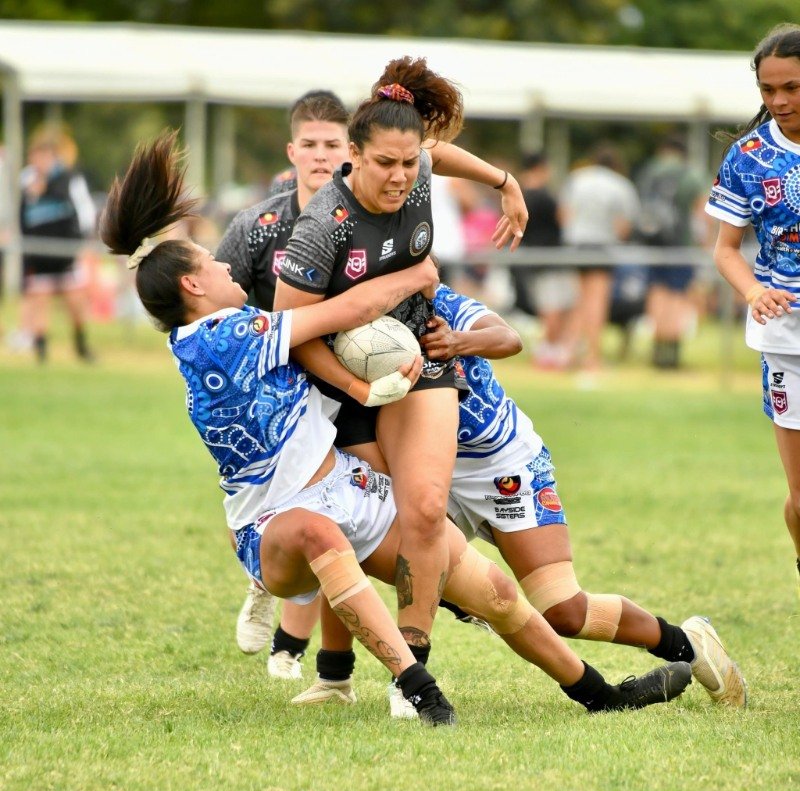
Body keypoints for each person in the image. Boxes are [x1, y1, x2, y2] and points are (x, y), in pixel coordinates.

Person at [100, 131, 692, 726]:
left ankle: (598, 694)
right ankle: (418, 687)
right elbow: (342, 312)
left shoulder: (231, 325)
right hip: (271, 522)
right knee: (318, 535)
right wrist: (416, 274)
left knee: (493, 593)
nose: (226, 265)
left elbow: (426, 154)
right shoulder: (221, 339)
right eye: (211, 264)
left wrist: (361, 385)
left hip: (349, 489)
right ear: (193, 287)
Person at [293, 284, 747, 714]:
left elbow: (508, 338)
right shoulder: (346, 327)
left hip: (503, 464)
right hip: (434, 477)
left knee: (565, 611)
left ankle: (685, 643)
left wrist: (457, 342)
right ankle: (338, 678)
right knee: (385, 546)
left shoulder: (436, 301)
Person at [273, 56, 529, 683]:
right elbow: (292, 334)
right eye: (384, 163)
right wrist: (360, 384)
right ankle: (335, 664)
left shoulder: (419, 171)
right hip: (337, 383)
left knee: (423, 508)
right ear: (353, 155)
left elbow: (445, 154)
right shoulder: (319, 229)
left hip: (417, 359)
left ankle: (414, 665)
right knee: (374, 524)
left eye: (410, 162)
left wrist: (506, 182)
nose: (400, 176)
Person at [216, 90, 351, 677]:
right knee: (264, 505)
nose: (322, 157)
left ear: (352, 151)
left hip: (348, 383)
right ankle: (261, 583)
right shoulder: (257, 225)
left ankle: (307, 654)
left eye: (334, 145)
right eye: (312, 146)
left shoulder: (369, 215)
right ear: (292, 150)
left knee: (334, 511)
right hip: (273, 395)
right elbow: (213, 301)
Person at [705, 23, 800, 592]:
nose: (781, 101)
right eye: (769, 90)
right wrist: (752, 291)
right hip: (788, 338)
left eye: (792, 87)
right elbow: (725, 250)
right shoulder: (750, 157)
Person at [560, 143, 640, 376]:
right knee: (596, 301)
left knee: (579, 299)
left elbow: (564, 214)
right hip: (602, 245)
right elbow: (623, 225)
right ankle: (593, 356)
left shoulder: (577, 178)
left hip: (576, 244)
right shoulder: (621, 184)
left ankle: (570, 352)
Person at [19, 125, 96, 363]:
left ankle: (81, 345)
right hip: (39, 254)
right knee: (39, 301)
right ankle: (41, 352)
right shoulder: (26, 182)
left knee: (74, 303)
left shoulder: (69, 179)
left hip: (65, 254)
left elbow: (85, 212)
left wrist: (81, 243)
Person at [636, 135, 707, 369]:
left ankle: (657, 349)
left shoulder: (650, 171)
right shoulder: (691, 174)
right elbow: (703, 209)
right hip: (682, 246)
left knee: (657, 294)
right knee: (678, 296)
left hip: (654, 245)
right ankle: (672, 353)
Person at [517, 151, 576, 369]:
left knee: (551, 307)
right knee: (554, 308)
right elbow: (563, 218)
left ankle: (551, 352)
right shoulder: (542, 195)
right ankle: (547, 354)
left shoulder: (521, 194)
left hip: (533, 258)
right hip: (549, 260)